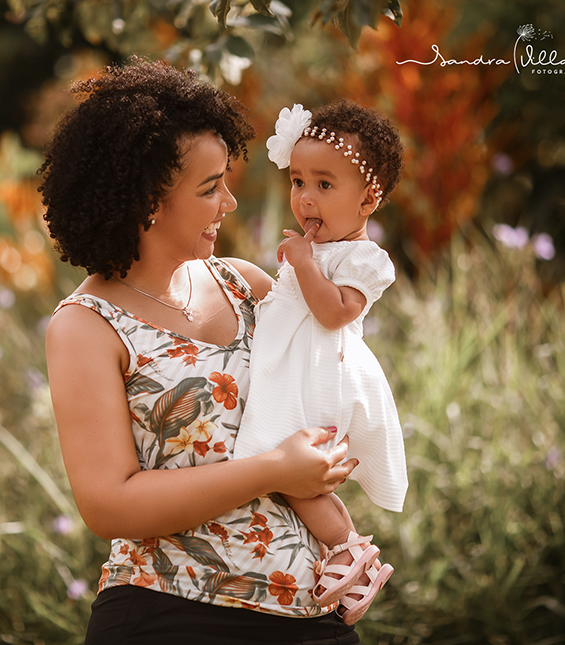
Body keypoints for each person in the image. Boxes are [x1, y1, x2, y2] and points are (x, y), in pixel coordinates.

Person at [41, 58, 362, 644]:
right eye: (211, 188)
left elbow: (314, 405)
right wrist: (274, 469)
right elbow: (109, 505)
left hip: (312, 616)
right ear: (148, 200)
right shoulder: (86, 327)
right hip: (173, 615)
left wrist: (348, 548)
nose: (230, 204)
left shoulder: (249, 287)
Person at [232, 101, 409, 625]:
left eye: (325, 186)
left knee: (287, 466)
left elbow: (334, 313)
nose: (306, 198)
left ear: (367, 200)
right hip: (287, 367)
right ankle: (345, 555)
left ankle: (350, 548)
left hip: (317, 375)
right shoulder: (312, 250)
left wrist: (305, 267)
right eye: (298, 181)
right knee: (280, 466)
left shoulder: (363, 259)